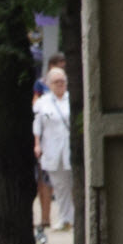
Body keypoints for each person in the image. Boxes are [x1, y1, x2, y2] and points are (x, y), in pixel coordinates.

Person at [33, 68, 74, 232]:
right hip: (52, 149)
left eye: (62, 81)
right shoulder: (42, 103)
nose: (60, 85)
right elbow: (37, 125)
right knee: (60, 185)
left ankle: (74, 218)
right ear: (49, 84)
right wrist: (37, 144)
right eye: (56, 82)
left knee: (74, 184)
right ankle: (65, 218)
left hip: (70, 148)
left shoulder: (72, 99)